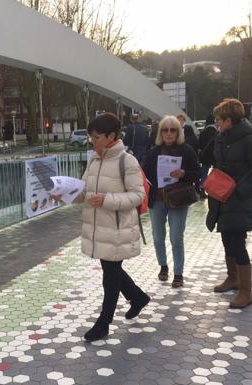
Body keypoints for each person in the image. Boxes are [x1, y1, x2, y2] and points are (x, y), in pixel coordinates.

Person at [56, 113, 150, 342]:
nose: (92, 141)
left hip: (116, 228)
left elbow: (138, 195)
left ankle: (103, 323)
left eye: (96, 137)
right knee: (112, 269)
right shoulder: (94, 159)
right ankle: (137, 298)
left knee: (110, 276)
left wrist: (107, 199)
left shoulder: (127, 161)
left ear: (111, 137)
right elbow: (86, 191)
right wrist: (66, 194)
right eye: (91, 137)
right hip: (99, 227)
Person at [207, 98, 252, 309]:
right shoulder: (221, 138)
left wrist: (240, 189)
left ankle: (246, 291)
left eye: (219, 120)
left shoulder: (248, 139)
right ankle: (232, 278)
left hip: (240, 201)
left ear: (229, 120)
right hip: (222, 199)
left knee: (237, 243)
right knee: (226, 239)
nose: (216, 123)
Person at [143, 116, 200, 288]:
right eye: (165, 130)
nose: (169, 133)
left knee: (176, 237)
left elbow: (197, 173)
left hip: (178, 198)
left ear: (178, 132)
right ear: (160, 133)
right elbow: (144, 176)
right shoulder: (153, 152)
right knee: (158, 237)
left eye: (172, 130)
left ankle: (178, 274)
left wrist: (184, 173)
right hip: (157, 200)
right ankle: (163, 266)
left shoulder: (187, 150)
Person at [197, 114, 218, 198]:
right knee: (216, 172)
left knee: (204, 171)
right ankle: (212, 187)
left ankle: (201, 186)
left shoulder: (203, 131)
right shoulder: (216, 132)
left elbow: (199, 145)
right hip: (214, 155)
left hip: (205, 155)